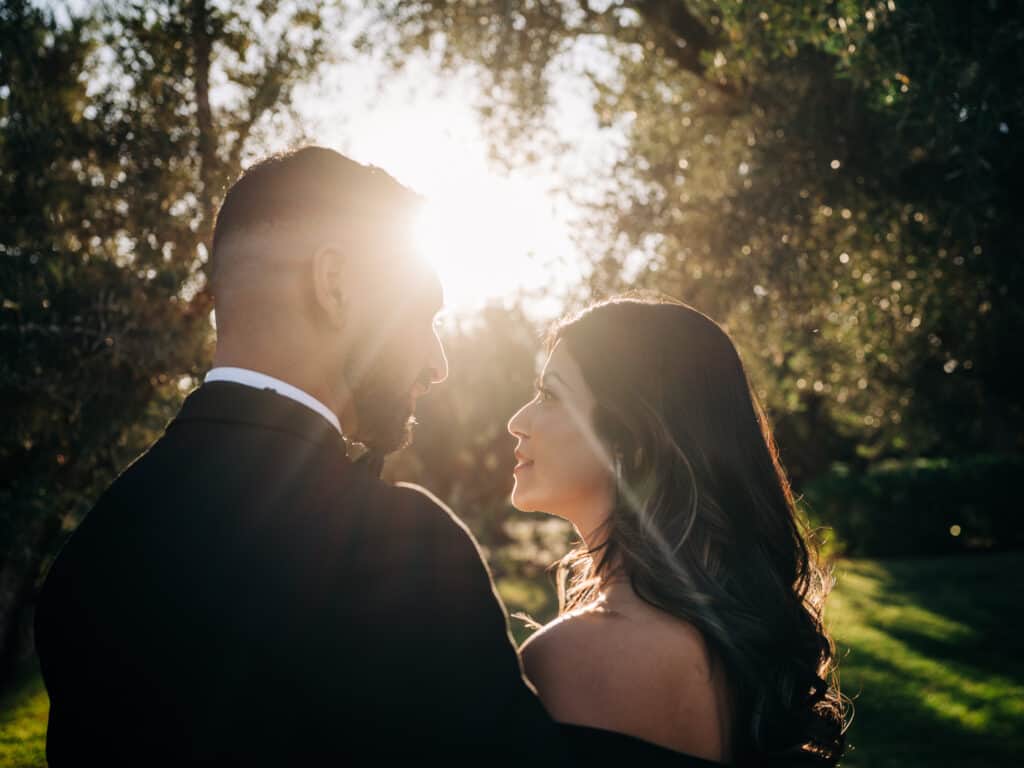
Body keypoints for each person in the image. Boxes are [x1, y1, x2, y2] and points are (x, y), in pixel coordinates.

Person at [34, 147, 568, 764]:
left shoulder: (87, 562)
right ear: (333, 285)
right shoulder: (400, 549)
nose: (437, 362)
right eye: (421, 315)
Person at [507, 294, 847, 766]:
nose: (516, 422)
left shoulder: (577, 658)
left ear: (631, 441)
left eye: (550, 396)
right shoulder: (729, 636)